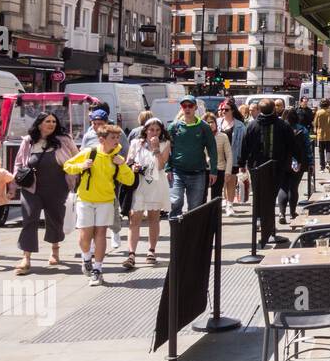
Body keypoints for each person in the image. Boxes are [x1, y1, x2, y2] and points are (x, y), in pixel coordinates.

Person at [63, 125, 135, 287]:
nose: (117, 141)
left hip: (106, 200)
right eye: (113, 138)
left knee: (101, 233)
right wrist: (81, 166)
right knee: (85, 235)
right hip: (85, 199)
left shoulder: (117, 158)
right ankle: (86, 257)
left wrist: (122, 164)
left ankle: (97, 269)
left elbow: (129, 180)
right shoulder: (90, 152)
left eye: (118, 138)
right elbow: (67, 166)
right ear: (102, 139)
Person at [14, 112, 80, 275]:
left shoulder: (64, 140)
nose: (51, 124)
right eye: (47, 121)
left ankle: (55, 250)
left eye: (53, 121)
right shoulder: (28, 141)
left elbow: (78, 158)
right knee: (30, 219)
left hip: (57, 186)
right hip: (31, 188)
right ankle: (26, 258)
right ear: (39, 124)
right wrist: (14, 181)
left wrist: (76, 176)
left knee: (55, 219)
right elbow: (18, 162)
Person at [239, 99, 298, 246]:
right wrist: (296, 160)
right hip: (276, 168)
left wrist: (241, 164)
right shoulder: (282, 125)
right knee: (270, 198)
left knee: (260, 197)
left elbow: (244, 146)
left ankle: (266, 227)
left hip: (257, 168)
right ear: (273, 110)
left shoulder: (252, 125)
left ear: (259, 110)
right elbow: (292, 144)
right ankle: (268, 229)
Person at [124, 118, 171, 267]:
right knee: (135, 218)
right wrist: (133, 167)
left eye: (157, 130)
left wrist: (156, 149)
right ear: (145, 130)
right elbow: (128, 162)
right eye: (151, 130)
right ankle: (131, 254)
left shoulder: (165, 144)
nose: (154, 133)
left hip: (156, 183)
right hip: (140, 183)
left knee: (154, 218)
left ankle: (151, 251)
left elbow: (162, 164)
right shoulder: (136, 144)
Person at [166, 97, 219, 217]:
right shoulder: (174, 127)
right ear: (181, 108)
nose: (187, 108)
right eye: (185, 106)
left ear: (195, 107)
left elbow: (212, 149)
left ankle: (192, 234)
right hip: (177, 172)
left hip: (198, 173)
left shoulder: (204, 127)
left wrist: (213, 170)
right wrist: (168, 168)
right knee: (175, 202)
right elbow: (168, 149)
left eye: (190, 106)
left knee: (195, 208)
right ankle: (176, 233)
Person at [279, 108, 312, 224]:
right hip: (298, 161)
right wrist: (310, 162)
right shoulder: (302, 129)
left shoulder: (280, 128)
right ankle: (292, 212)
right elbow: (308, 147)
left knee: (283, 187)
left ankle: (282, 213)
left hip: (282, 162)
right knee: (293, 187)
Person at [218, 101, 243, 217]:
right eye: (222, 109)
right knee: (221, 181)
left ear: (232, 110)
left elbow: (243, 143)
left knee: (231, 182)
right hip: (218, 157)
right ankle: (223, 201)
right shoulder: (218, 122)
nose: (223, 112)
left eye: (226, 109)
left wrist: (243, 161)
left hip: (232, 157)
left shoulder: (239, 125)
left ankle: (230, 205)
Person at [203, 111, 233, 203]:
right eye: (208, 122)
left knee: (216, 199)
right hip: (204, 170)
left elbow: (229, 155)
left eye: (212, 122)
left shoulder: (223, 136)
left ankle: (215, 217)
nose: (211, 124)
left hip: (219, 169)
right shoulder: (200, 137)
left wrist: (228, 172)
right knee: (202, 197)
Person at [313, 98, 330, 171]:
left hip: (320, 134)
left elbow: (315, 123)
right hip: (329, 134)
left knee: (321, 151)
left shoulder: (318, 112)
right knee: (329, 149)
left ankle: (322, 166)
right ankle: (328, 163)